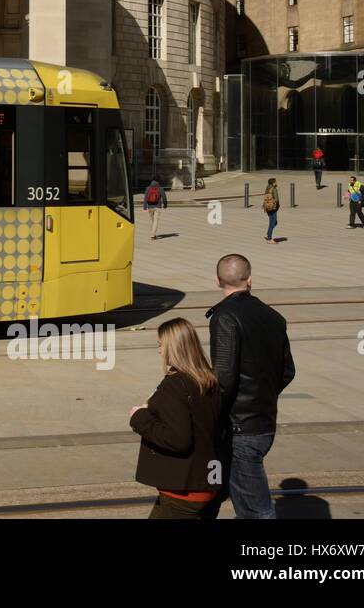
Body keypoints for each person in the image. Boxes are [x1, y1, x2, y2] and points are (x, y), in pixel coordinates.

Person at [206, 253, 295, 519]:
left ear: (217, 281)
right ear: (250, 280)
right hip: (264, 422)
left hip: (240, 428)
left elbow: (224, 378)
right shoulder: (273, 316)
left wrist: (210, 414)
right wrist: (262, 395)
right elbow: (288, 371)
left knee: (257, 512)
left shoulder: (224, 318)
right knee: (234, 498)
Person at [129, 318, 224, 519]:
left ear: (174, 348)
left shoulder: (174, 386)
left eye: (161, 345)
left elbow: (178, 439)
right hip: (207, 482)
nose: (159, 351)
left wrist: (139, 416)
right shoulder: (208, 380)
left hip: (183, 491)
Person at [262, 177, 280, 243]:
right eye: (275, 181)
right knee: (273, 222)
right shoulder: (274, 189)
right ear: (273, 182)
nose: (277, 182)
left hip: (267, 207)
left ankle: (268, 233)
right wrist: (278, 206)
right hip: (273, 207)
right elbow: (277, 199)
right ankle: (269, 238)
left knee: (273, 222)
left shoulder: (267, 188)